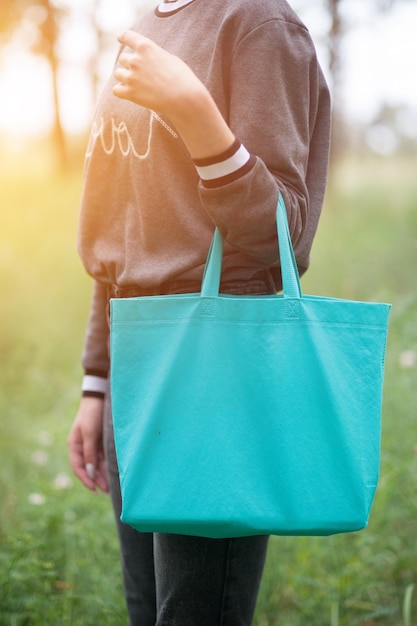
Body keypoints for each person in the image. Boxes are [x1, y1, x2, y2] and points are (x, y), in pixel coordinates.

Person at [68, 0, 331, 623]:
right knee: (147, 609)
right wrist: (97, 381)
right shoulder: (148, 22)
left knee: (194, 613)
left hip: (215, 365)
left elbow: (284, 238)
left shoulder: (261, 24)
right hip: (134, 357)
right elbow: (125, 232)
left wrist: (194, 114)